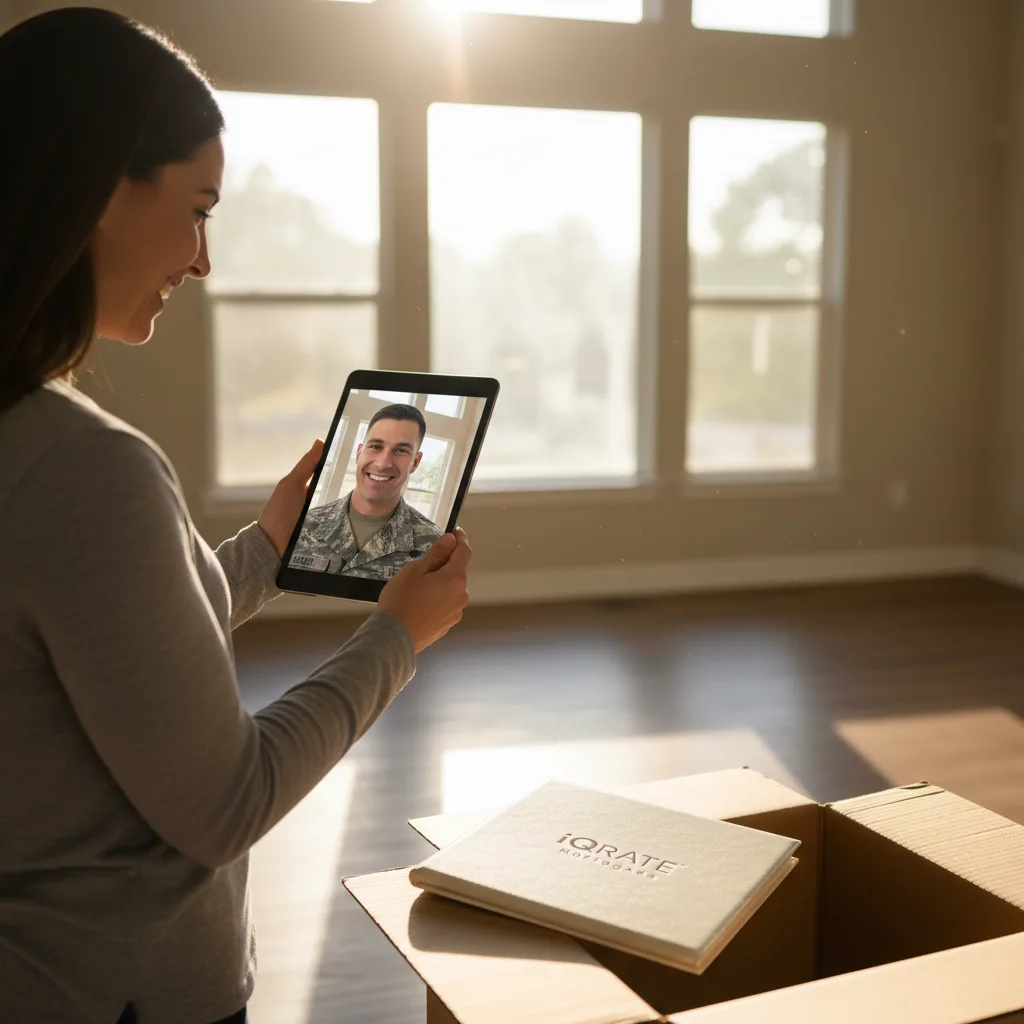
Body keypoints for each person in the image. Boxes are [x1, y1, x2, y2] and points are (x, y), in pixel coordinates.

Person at [0, 9, 471, 1024]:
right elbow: (225, 802)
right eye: (198, 207)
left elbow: (98, 657)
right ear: (100, 187)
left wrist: (263, 551)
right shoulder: (88, 469)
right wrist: (396, 636)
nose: (203, 258)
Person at [290, 403, 444, 580]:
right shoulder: (303, 525)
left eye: (401, 450)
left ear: (415, 463)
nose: (383, 463)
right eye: (376, 447)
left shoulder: (434, 545)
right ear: (358, 453)